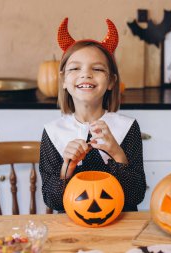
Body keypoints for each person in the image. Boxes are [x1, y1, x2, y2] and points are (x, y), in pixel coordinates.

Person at [39, 18, 146, 212]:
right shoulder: (53, 132)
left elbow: (136, 195)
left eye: (97, 69)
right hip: (72, 227)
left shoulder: (127, 128)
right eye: (75, 68)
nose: (86, 74)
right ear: (63, 79)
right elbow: (51, 200)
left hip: (121, 225)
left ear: (112, 81)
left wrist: (116, 153)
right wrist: (67, 168)